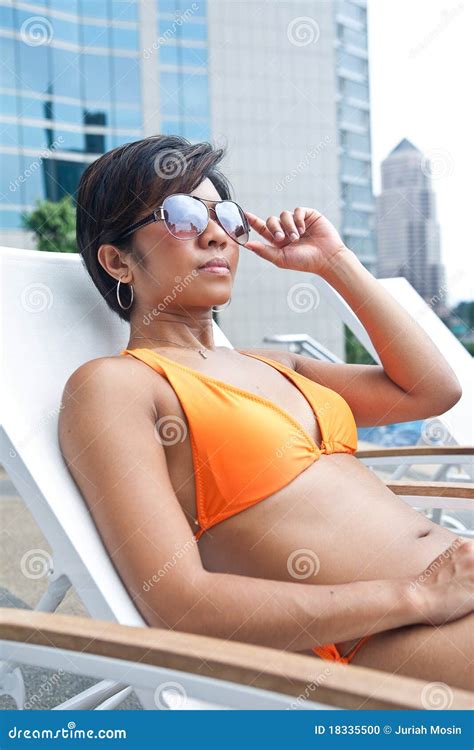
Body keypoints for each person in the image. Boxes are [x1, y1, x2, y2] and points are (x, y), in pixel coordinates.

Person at [59, 135, 473, 691]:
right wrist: (416, 594)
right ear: (117, 260)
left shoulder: (274, 364)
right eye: (181, 215)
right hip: (383, 636)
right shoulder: (118, 385)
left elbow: (431, 390)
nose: (214, 234)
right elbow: (179, 602)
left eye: (224, 215)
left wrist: (335, 264)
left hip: (453, 587)